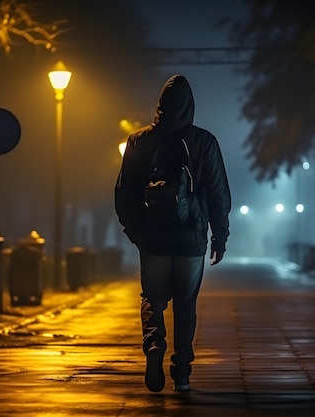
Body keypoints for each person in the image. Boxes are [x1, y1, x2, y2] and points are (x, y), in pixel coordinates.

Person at [115, 74, 231, 393]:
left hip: (152, 239)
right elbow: (219, 194)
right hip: (191, 239)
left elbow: (123, 193)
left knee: (152, 298)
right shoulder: (204, 142)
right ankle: (181, 371)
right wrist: (219, 236)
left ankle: (154, 346)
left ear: (160, 105)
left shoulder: (138, 141)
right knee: (185, 303)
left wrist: (136, 231)